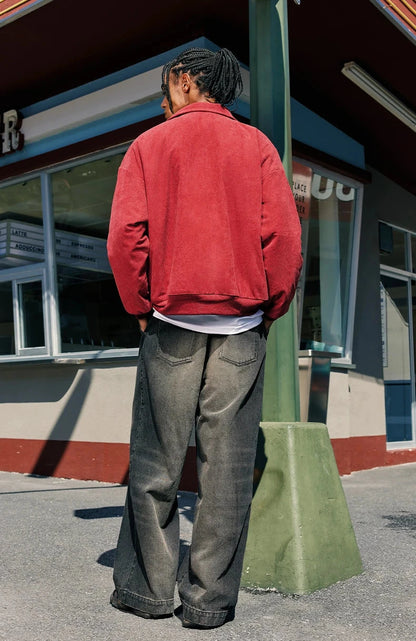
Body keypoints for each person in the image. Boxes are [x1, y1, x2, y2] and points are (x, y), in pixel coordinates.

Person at [107, 47, 302, 629]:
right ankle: (209, 602)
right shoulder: (259, 147)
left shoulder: (149, 145)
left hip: (170, 324)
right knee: (227, 470)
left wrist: (140, 306)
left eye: (168, 85)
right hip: (242, 327)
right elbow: (284, 244)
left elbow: (124, 238)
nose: (163, 99)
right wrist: (270, 309)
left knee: (156, 463)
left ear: (189, 81)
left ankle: (149, 591)